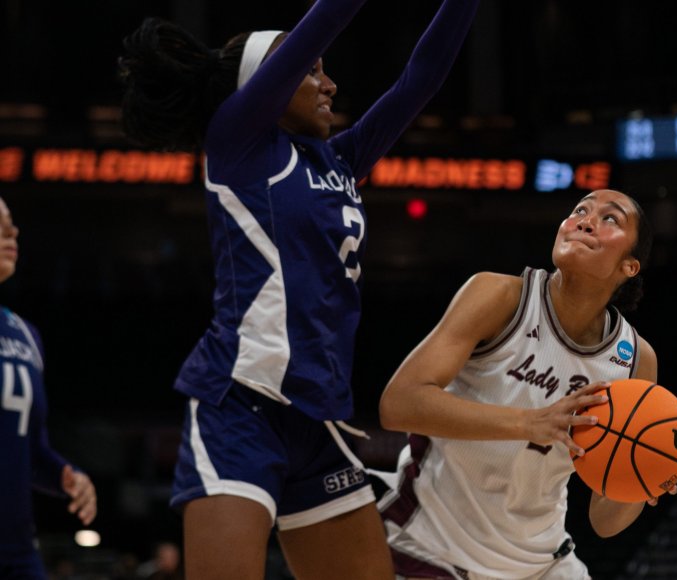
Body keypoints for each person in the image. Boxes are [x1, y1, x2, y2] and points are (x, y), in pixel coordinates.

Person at [118, 0, 479, 578]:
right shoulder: (237, 144)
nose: (330, 84)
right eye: (311, 70)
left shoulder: (340, 161)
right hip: (239, 404)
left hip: (320, 419)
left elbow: (422, 78)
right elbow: (329, 16)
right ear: (266, 83)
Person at [378, 189, 677, 580]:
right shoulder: (500, 296)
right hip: (432, 546)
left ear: (630, 266)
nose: (584, 219)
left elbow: (603, 520)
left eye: (610, 218)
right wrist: (528, 423)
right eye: (580, 210)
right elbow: (399, 404)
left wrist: (649, 477)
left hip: (542, 563)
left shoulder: (635, 358)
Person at [0, 197, 98, 579]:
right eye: (0, 223)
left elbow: (29, 448)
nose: (12, 231)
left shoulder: (25, 334)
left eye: (12, 222)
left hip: (18, 551)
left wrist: (65, 474)